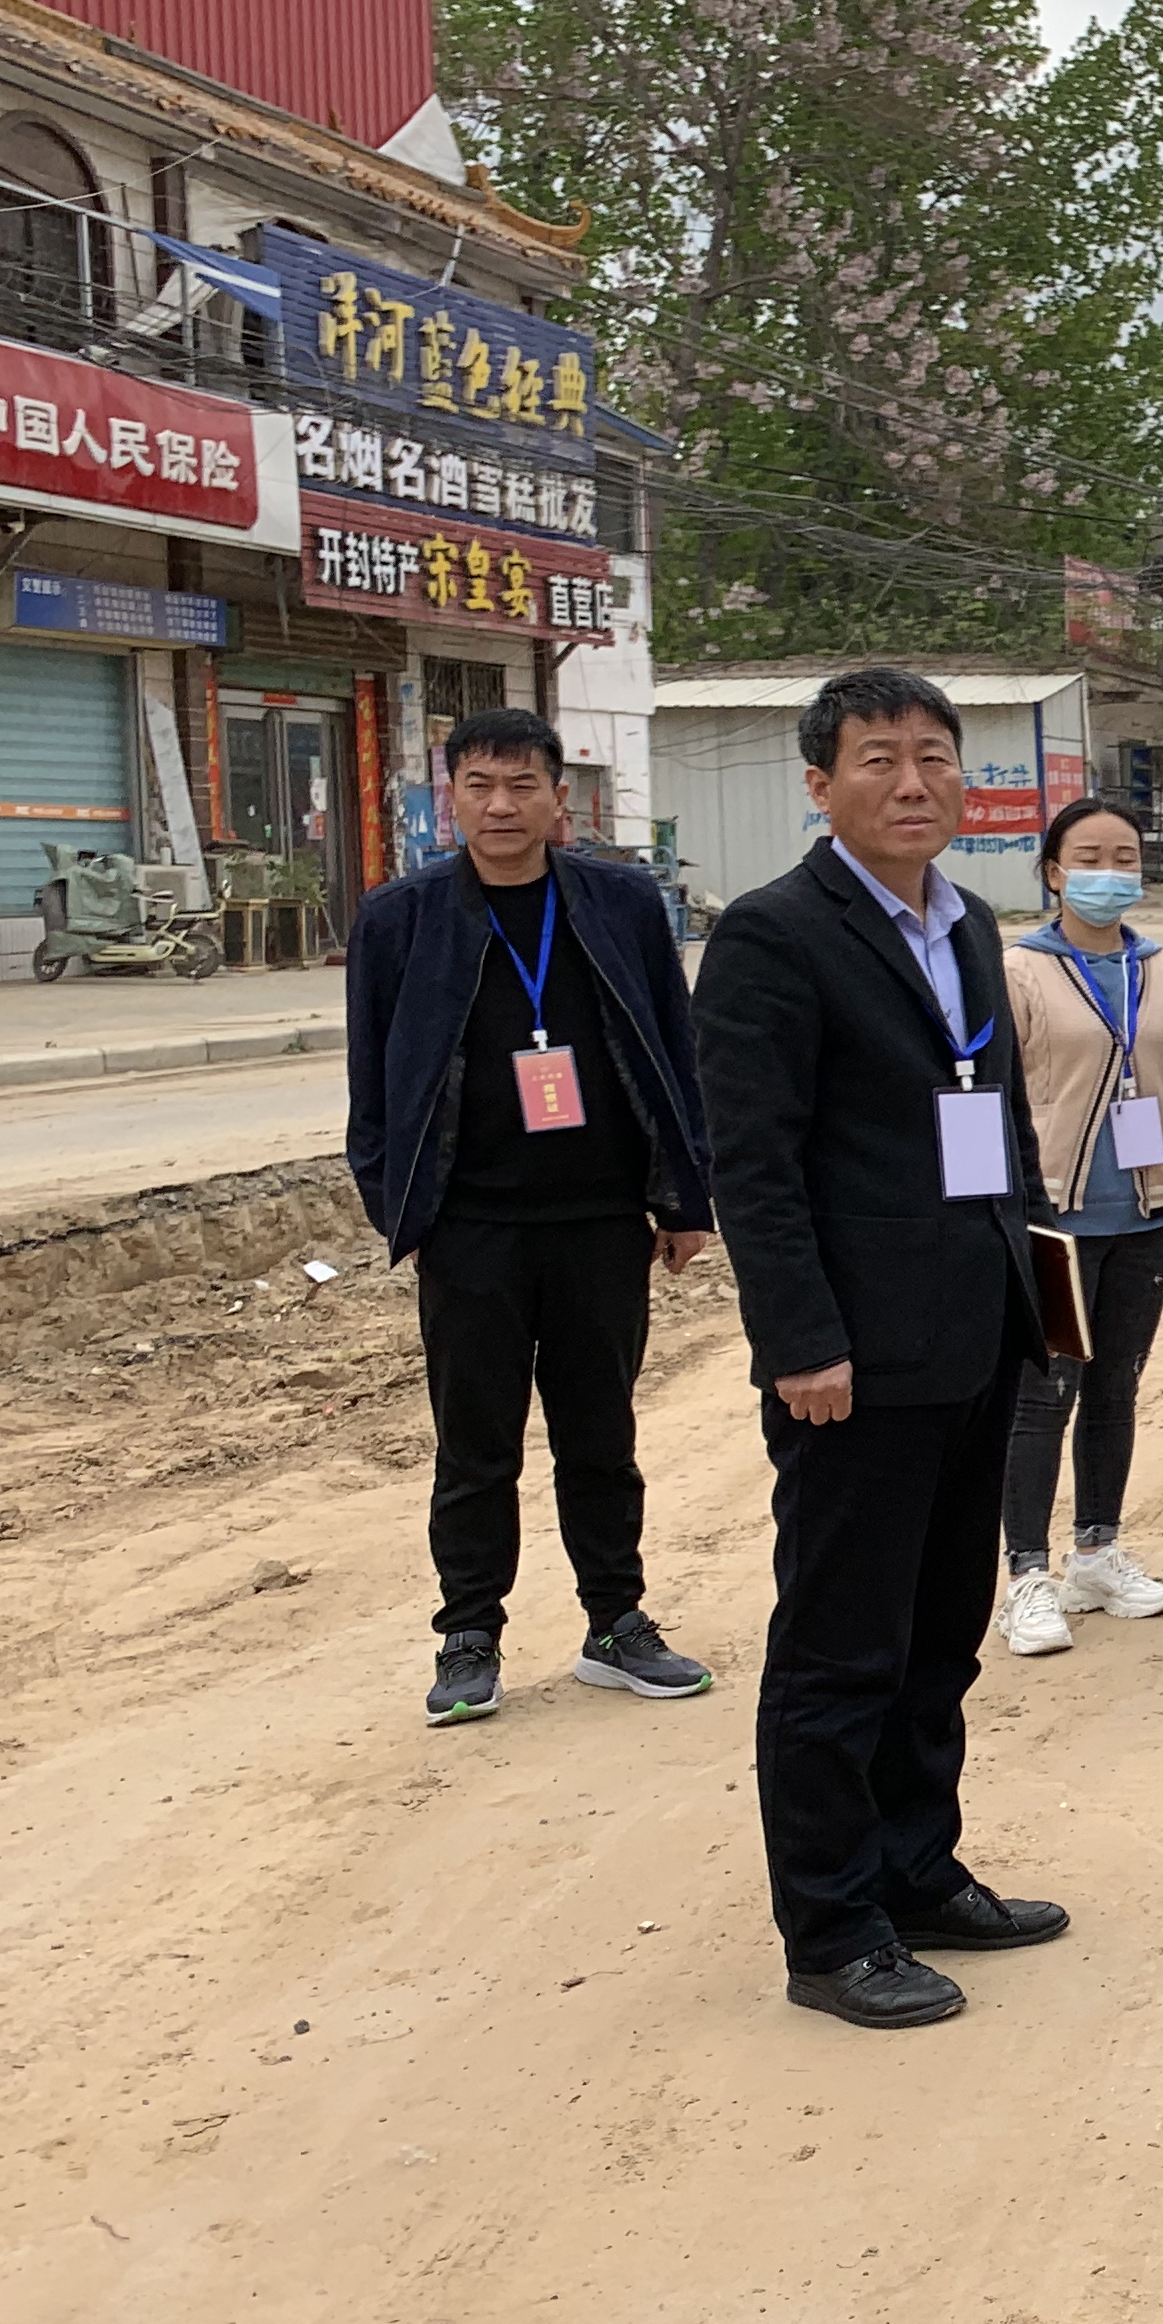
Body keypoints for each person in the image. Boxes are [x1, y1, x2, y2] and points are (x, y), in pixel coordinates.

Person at [694, 668, 1066, 2031]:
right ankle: (833, 1925)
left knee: (936, 1638)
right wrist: (800, 1340)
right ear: (819, 781)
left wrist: (1034, 1301)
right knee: (840, 1650)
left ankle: (916, 1869)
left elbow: (999, 1130)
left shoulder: (968, 928)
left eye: (933, 759)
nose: (912, 784)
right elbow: (758, 1163)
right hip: (849, 1361)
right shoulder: (773, 938)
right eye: (877, 760)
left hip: (969, 1337)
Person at [345, 707, 717, 1727]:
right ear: (449, 797)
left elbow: (672, 1052)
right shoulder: (402, 917)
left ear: (561, 798)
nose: (500, 804)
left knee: (601, 1435)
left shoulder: (621, 902)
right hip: (471, 1230)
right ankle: (469, 1637)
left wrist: (684, 1197)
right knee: (476, 1446)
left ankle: (616, 1624)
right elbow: (370, 1081)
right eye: (479, 785)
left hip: (601, 1221)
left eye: (521, 785)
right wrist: (400, 1207)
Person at [995, 796, 1163, 1656]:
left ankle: (1096, 1552)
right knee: (1046, 1394)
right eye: (1090, 855)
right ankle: (1026, 1572)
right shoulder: (1020, 970)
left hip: (1143, 1215)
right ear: (1054, 870)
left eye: (1126, 856)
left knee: (1116, 1388)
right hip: (1055, 1222)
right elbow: (985, 1095)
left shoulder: (1162, 970)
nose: (1111, 871)